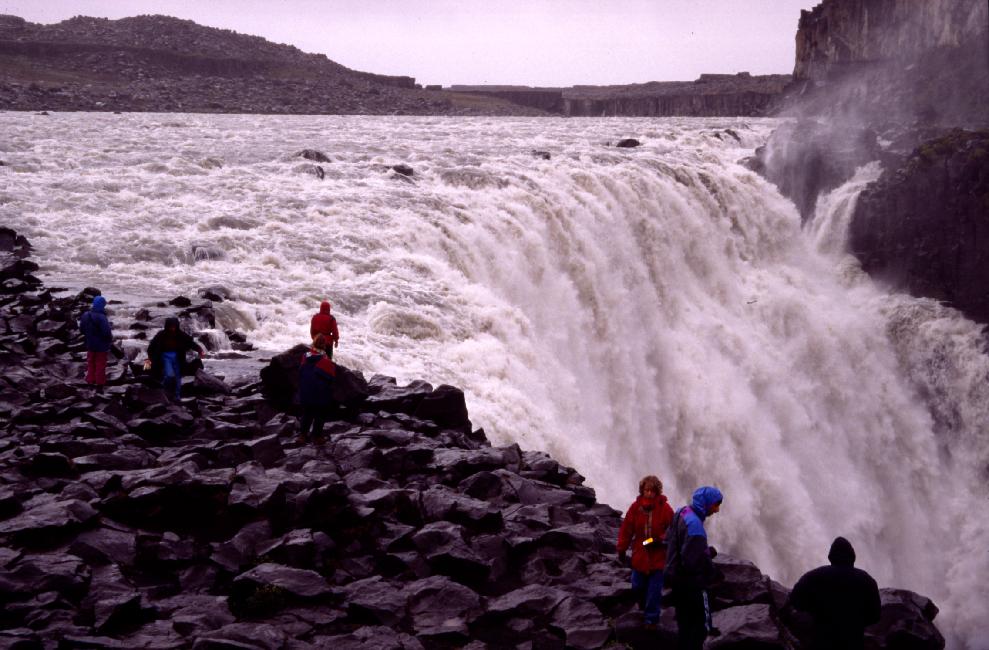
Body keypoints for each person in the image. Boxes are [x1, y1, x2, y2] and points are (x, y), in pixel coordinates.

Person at [788, 536, 882, 650]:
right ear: (853, 556)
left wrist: (815, 613)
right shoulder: (867, 580)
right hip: (853, 641)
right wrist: (856, 622)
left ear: (830, 557)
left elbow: (794, 601)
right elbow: (875, 615)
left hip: (822, 641)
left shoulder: (813, 577)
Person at [665, 486, 723, 650]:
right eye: (715, 505)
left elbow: (670, 540)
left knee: (684, 624)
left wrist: (703, 551)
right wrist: (711, 570)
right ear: (706, 504)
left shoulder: (682, 512)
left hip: (673, 576)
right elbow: (691, 562)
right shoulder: (696, 529)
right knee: (699, 628)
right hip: (690, 585)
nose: (717, 510)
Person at [617, 475, 675, 629]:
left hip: (658, 556)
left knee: (654, 590)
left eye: (652, 491)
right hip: (640, 554)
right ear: (642, 491)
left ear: (657, 492)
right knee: (637, 586)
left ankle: (651, 620)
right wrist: (621, 549)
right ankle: (643, 607)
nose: (649, 493)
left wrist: (661, 539)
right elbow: (626, 530)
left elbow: (673, 529)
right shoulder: (635, 508)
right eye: (646, 490)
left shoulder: (665, 508)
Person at [145, 317, 203, 399]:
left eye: (174, 326)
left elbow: (190, 343)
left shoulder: (181, 334)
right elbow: (151, 347)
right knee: (169, 375)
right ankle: (165, 391)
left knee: (177, 377)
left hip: (178, 357)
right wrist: (149, 359)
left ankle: (177, 396)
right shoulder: (161, 335)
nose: (172, 328)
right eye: (171, 327)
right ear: (167, 326)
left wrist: (199, 350)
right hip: (165, 357)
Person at [298, 333, 336, 443]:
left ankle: (302, 436)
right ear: (324, 345)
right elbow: (331, 378)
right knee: (320, 414)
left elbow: (301, 371)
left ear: (313, 343)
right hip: (319, 393)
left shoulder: (305, 356)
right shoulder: (326, 360)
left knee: (307, 413)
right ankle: (317, 436)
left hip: (305, 391)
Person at [79, 294, 112, 391]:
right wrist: (109, 340)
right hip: (101, 346)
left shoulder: (86, 315)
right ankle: (99, 385)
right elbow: (106, 332)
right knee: (100, 364)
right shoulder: (102, 317)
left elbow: (82, 330)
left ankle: (90, 382)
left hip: (90, 344)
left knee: (90, 363)